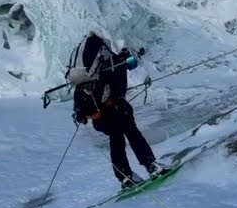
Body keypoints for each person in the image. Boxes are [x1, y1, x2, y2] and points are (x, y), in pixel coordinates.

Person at [68, 31, 169, 190]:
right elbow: (132, 63)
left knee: (116, 141)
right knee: (133, 134)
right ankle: (152, 166)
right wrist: (127, 55)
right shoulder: (114, 62)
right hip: (117, 110)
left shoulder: (88, 72)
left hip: (99, 118)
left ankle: (125, 177)